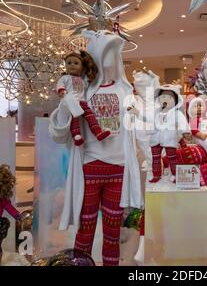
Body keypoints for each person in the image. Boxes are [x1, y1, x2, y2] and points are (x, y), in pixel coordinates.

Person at [49, 29, 142, 266]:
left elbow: (139, 129)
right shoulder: (82, 89)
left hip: (118, 169)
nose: (112, 60)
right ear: (96, 57)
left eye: (115, 53)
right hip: (89, 166)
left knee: (113, 231)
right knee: (85, 228)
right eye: (107, 53)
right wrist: (64, 106)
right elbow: (59, 133)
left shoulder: (126, 91)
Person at [56, 51, 110, 146]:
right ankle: (76, 136)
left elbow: (88, 84)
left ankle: (98, 132)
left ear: (82, 67)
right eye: (69, 63)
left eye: (76, 63)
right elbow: (60, 85)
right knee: (74, 118)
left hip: (82, 101)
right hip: (71, 102)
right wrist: (62, 90)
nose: (72, 65)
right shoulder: (65, 78)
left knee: (90, 116)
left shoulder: (82, 80)